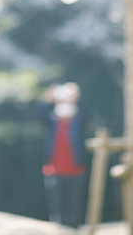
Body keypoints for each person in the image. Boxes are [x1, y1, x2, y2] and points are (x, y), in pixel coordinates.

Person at [41, 82, 89, 228]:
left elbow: (88, 113)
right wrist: (49, 97)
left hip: (77, 169)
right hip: (54, 170)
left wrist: (76, 97)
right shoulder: (52, 121)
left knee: (75, 205)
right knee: (57, 206)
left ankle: (74, 228)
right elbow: (39, 114)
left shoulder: (80, 119)